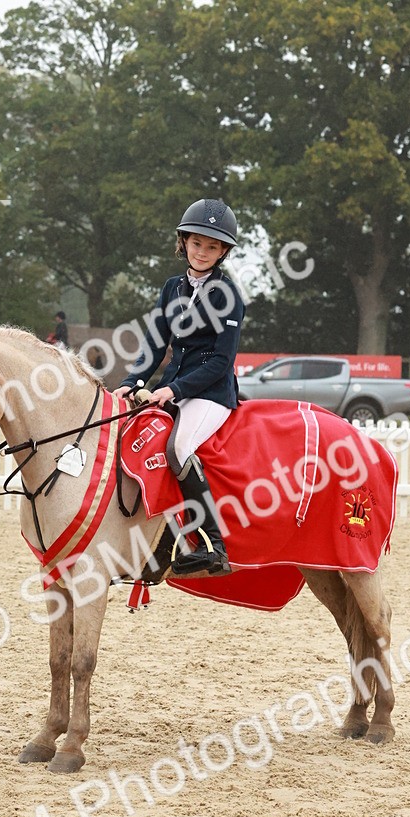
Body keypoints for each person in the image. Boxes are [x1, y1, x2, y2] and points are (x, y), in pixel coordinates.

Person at [113, 198, 244, 576]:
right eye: (197, 243)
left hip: (211, 393)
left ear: (223, 252)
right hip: (175, 387)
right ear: (184, 241)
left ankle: (215, 547)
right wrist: (131, 381)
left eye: (212, 246)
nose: (202, 252)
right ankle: (164, 542)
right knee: (143, 443)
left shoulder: (227, 295)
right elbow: (155, 344)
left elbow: (222, 361)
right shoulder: (172, 288)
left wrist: (174, 391)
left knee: (178, 447)